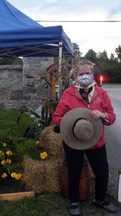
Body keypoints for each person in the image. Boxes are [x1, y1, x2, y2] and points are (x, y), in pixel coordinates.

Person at [52, 59, 118, 216]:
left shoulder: (102, 94)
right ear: (75, 76)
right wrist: (71, 121)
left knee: (102, 171)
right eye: (81, 74)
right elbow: (57, 117)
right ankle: (74, 201)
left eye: (87, 73)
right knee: (74, 171)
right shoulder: (68, 94)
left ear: (92, 74)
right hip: (74, 139)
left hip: (95, 140)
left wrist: (103, 115)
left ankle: (100, 199)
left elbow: (112, 117)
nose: (84, 76)